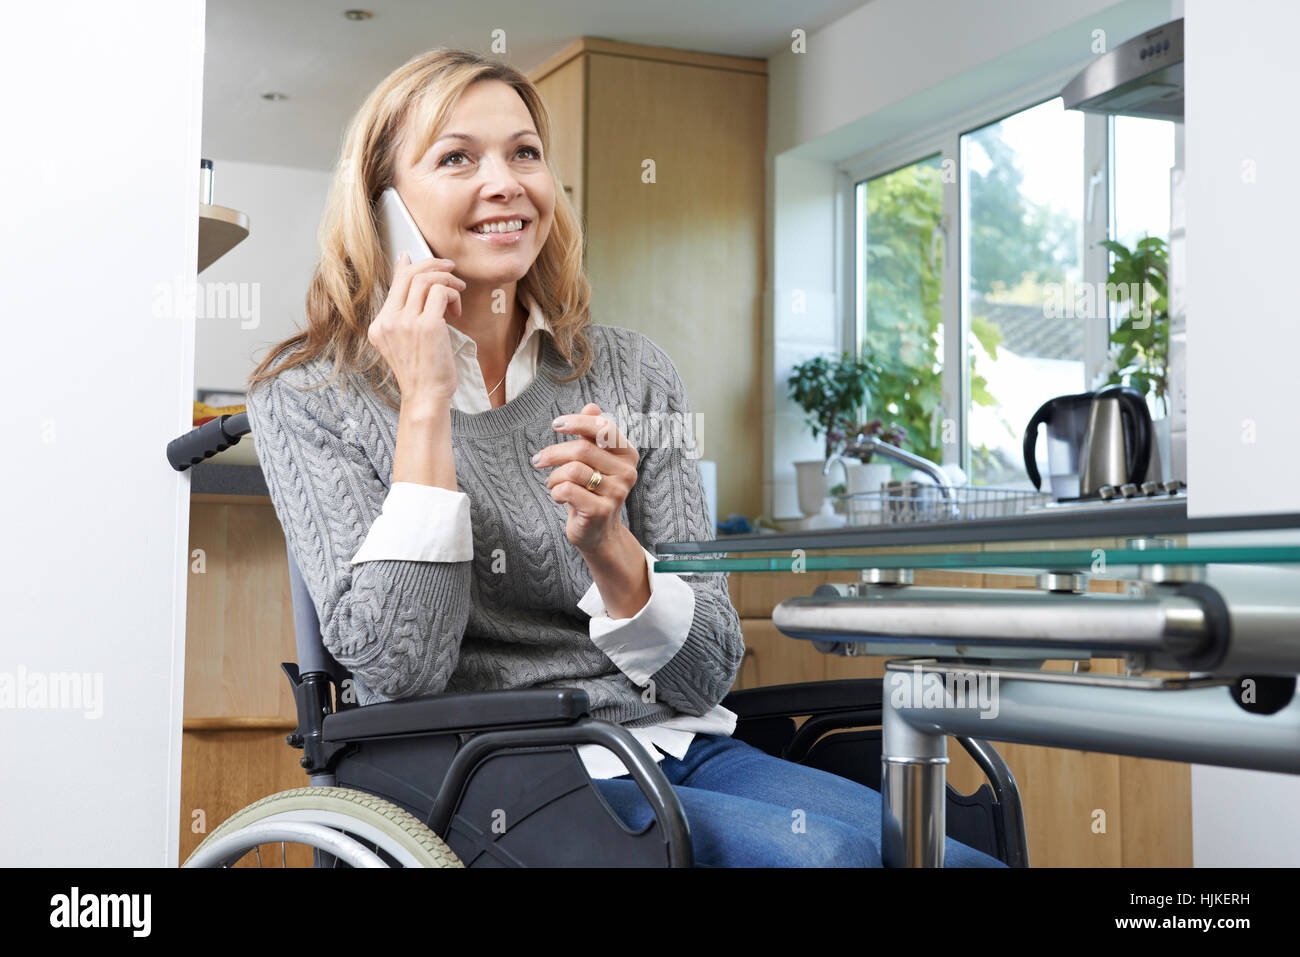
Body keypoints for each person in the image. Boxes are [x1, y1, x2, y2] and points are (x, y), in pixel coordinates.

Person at [244, 48, 1005, 869]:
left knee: (951, 855)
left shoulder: (632, 371)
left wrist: (612, 549)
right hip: (486, 774)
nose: (505, 182)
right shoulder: (308, 394)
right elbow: (401, 666)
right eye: (457, 157)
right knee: (826, 861)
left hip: (671, 746)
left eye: (524, 152)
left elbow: (709, 669)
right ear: (384, 206)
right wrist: (423, 403)